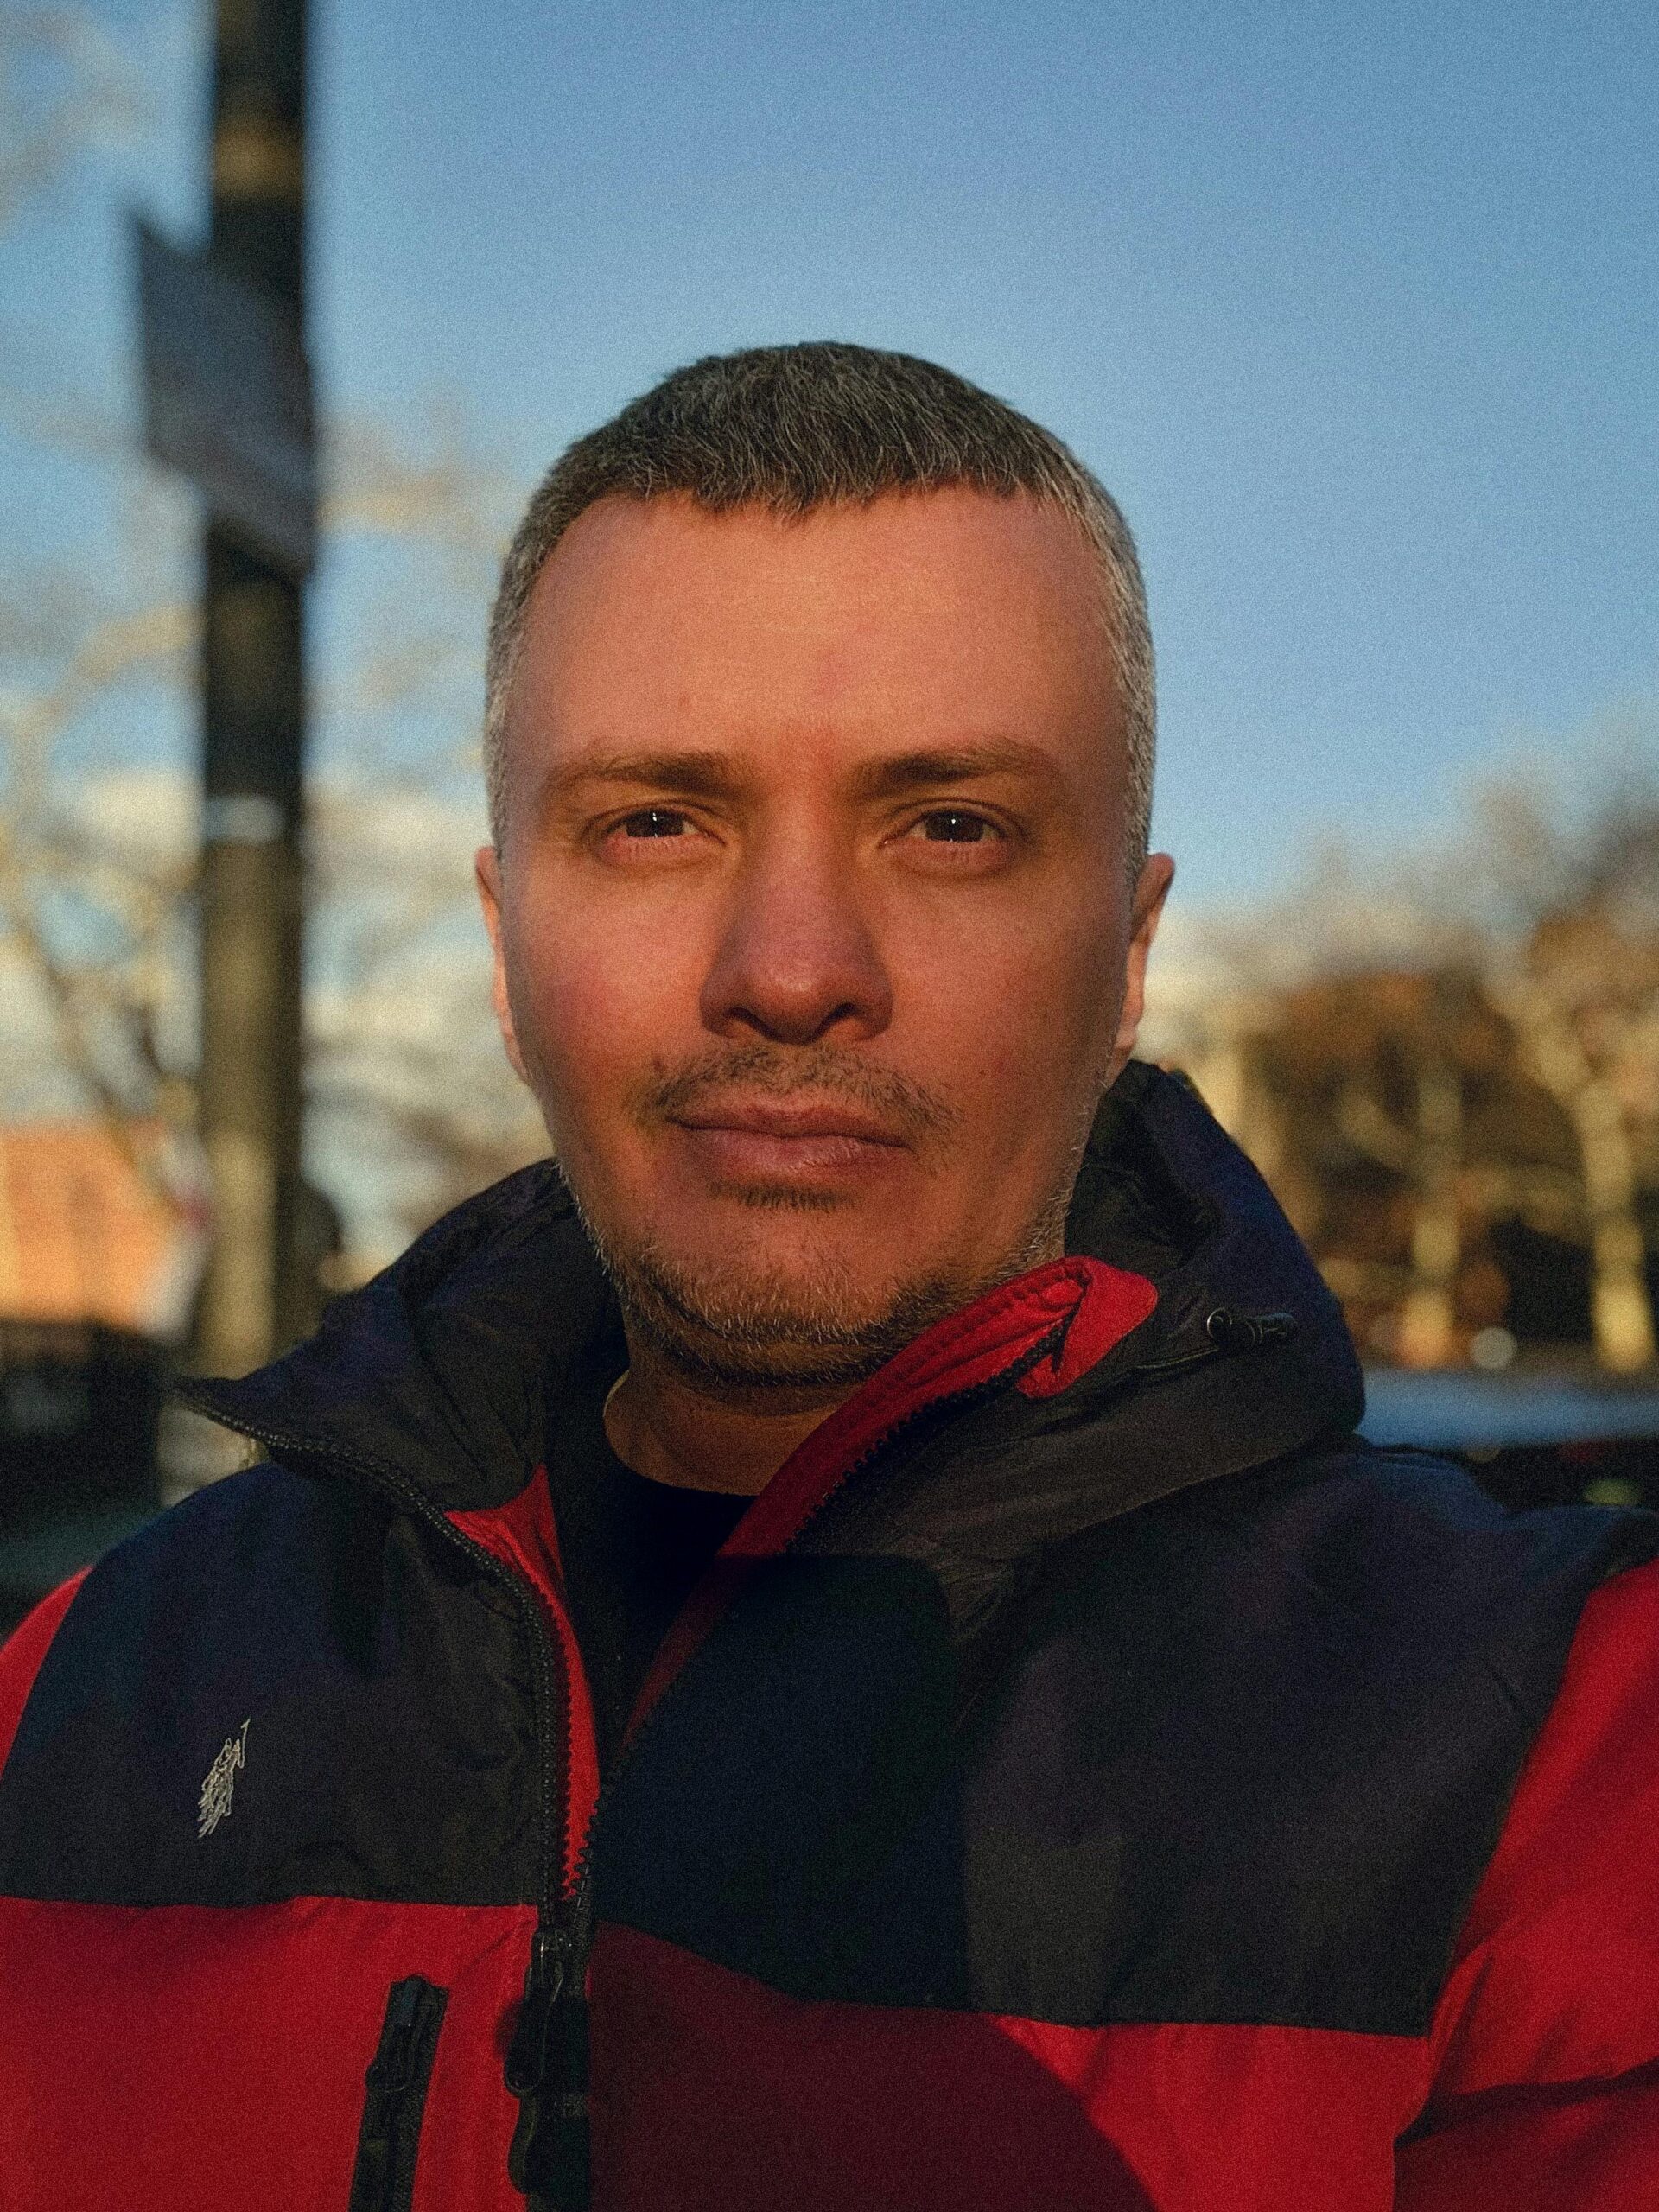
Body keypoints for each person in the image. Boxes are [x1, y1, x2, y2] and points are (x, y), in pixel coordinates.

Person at [1, 344, 1656, 2212]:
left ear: (1127, 949)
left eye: (950, 824)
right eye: (654, 820)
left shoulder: (1556, 1746)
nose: (792, 965)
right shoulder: (76, 1694)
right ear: (503, 937)